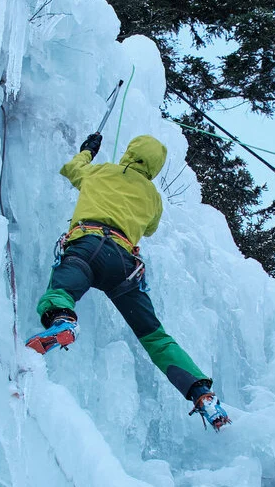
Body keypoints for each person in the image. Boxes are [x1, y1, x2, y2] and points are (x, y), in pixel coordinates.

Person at [24, 132, 231, 430]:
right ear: (155, 167)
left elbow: (71, 169)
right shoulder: (153, 198)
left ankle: (63, 320)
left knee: (62, 288)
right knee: (154, 336)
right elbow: (150, 228)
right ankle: (201, 393)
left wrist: (88, 151)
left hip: (87, 246)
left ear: (130, 151)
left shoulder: (100, 171)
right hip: (123, 265)